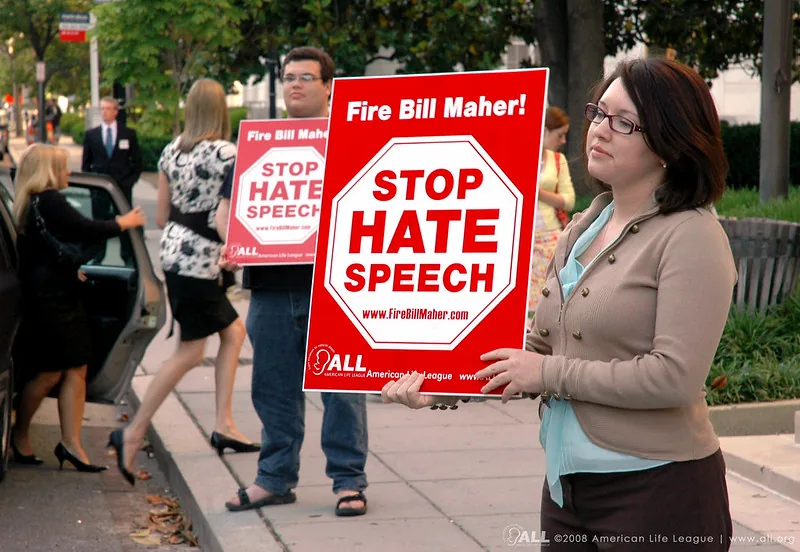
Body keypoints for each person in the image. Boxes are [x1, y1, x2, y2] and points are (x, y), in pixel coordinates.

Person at [381, 57, 736, 550]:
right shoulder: (583, 228)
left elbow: (674, 377)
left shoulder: (692, 234)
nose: (600, 131)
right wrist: (438, 384)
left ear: (670, 143)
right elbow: (536, 351)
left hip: (658, 489)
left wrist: (547, 375)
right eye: (599, 113)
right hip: (566, 491)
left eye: (624, 123)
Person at [218, 47, 370, 516]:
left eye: (306, 76)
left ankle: (348, 480)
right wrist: (231, 242)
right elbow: (229, 207)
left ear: (329, 85)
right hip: (269, 286)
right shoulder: (258, 144)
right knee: (272, 388)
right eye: (288, 77)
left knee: (342, 387)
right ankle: (274, 478)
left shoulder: (354, 141)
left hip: (334, 286)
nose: (295, 84)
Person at [107, 78, 254, 486]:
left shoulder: (172, 149)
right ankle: (133, 431)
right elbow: (234, 209)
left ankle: (224, 422)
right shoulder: (228, 153)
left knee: (232, 331)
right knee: (190, 352)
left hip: (174, 252)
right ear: (221, 110)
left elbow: (161, 217)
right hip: (201, 260)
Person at [11, 143, 146, 471]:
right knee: (52, 373)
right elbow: (85, 229)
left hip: (51, 295)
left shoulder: (31, 203)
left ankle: (66, 442)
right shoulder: (50, 199)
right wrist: (122, 223)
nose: (68, 172)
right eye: (62, 166)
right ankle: (23, 434)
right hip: (54, 302)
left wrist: (69, 268)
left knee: (71, 369)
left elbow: (41, 253)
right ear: (48, 170)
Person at [528, 107, 575, 327]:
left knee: (548, 296)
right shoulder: (519, 153)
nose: (563, 140)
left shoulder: (558, 160)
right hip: (521, 238)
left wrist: (537, 192)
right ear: (545, 131)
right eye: (560, 134)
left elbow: (569, 200)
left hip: (549, 237)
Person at [81, 96, 142, 208]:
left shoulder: (128, 134)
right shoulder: (91, 135)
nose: (104, 112)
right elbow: (85, 164)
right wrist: (92, 184)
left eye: (108, 109)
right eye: (102, 108)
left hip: (122, 188)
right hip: (99, 187)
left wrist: (129, 182)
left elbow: (137, 161)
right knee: (100, 220)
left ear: (115, 111)